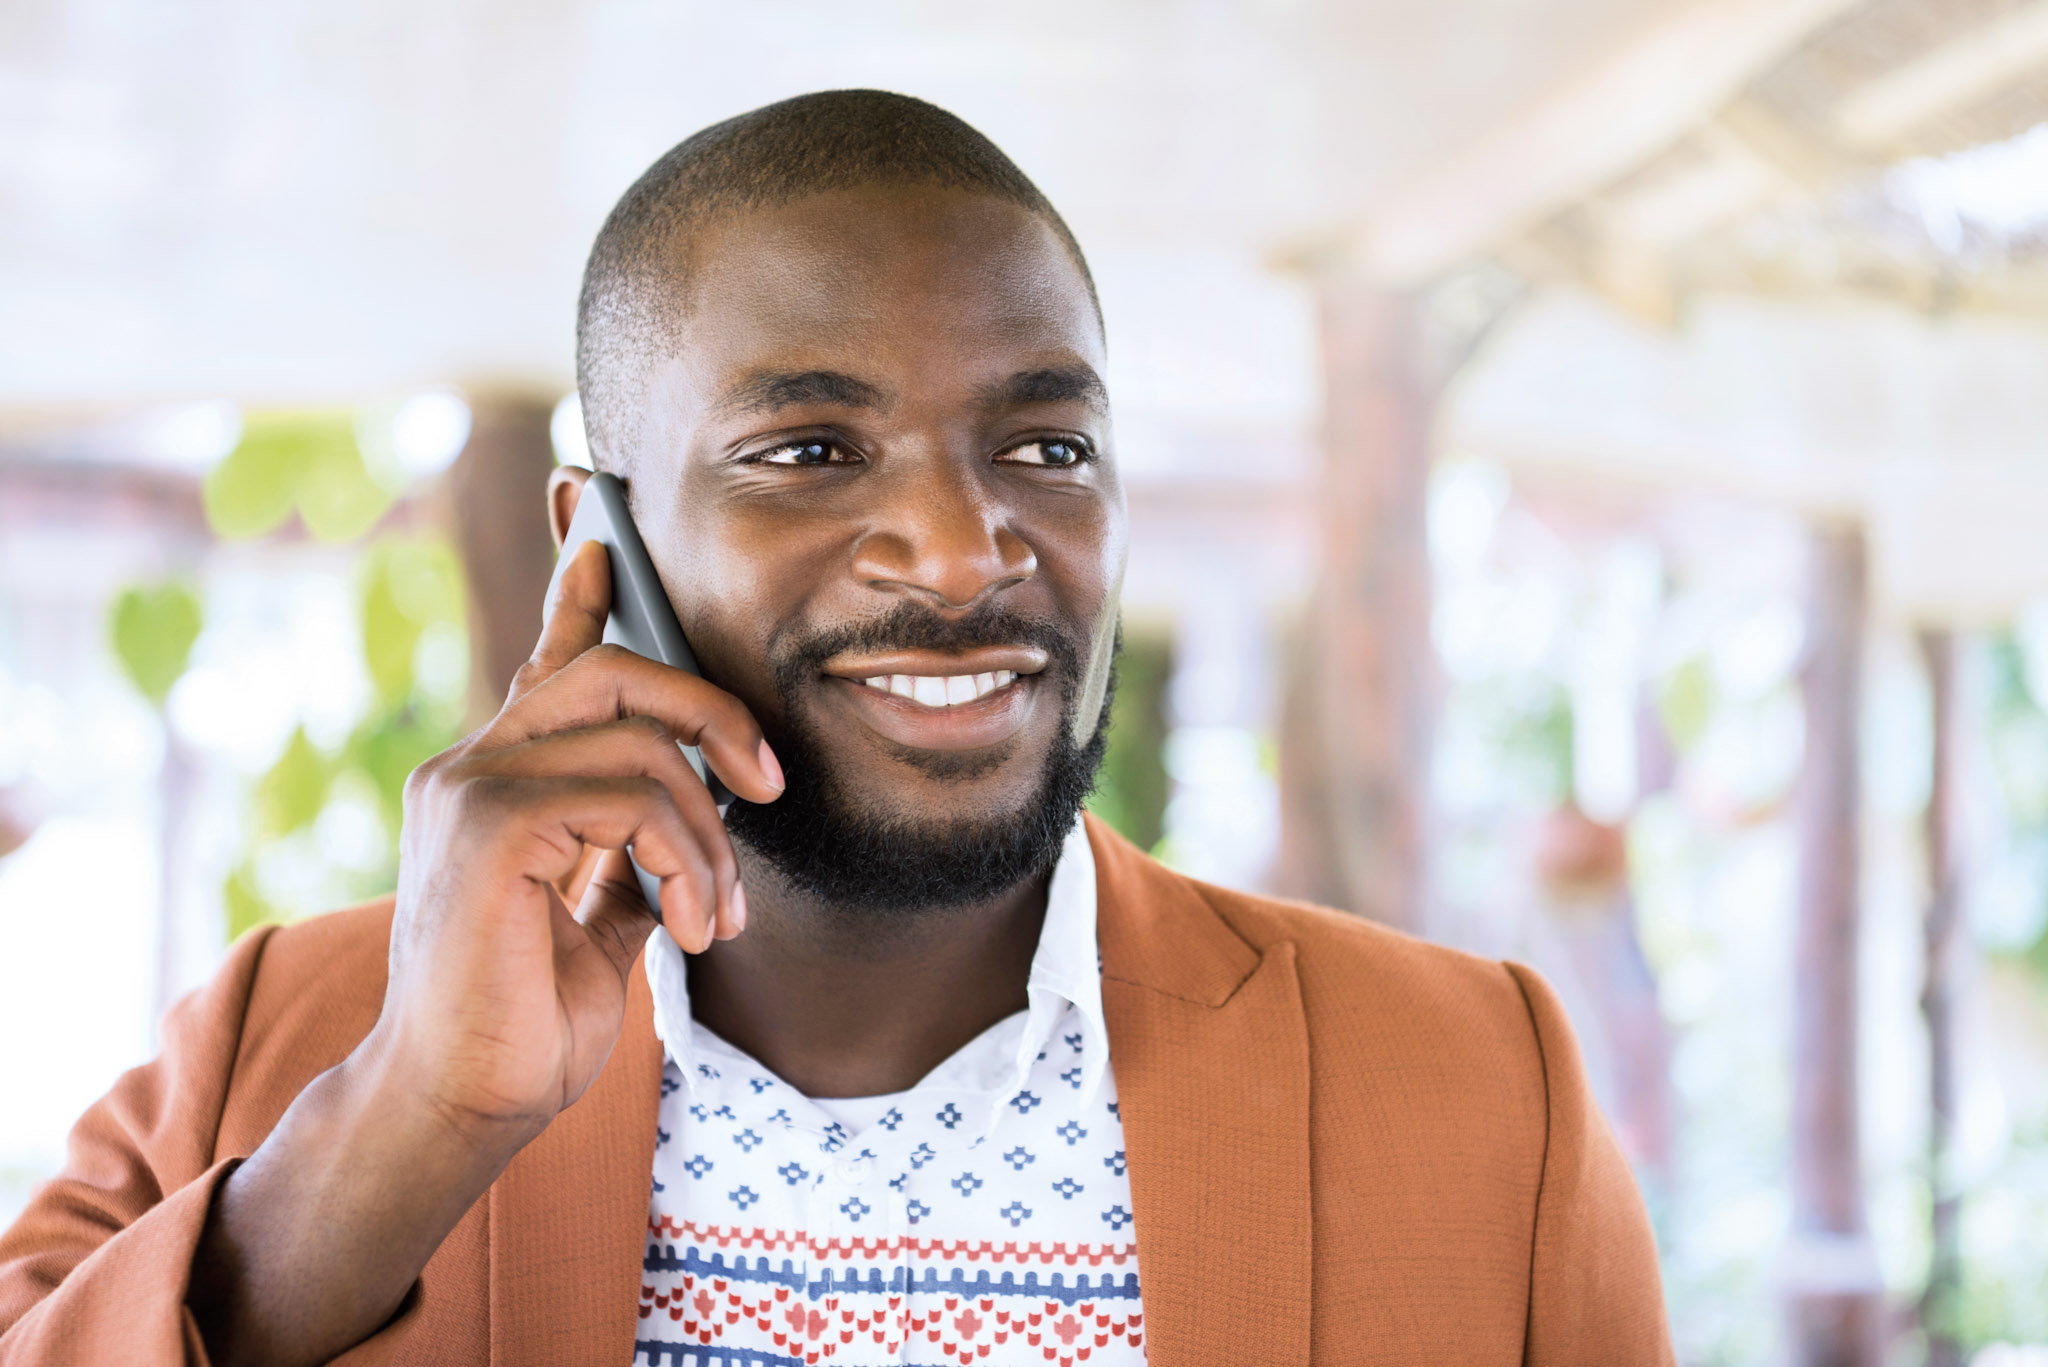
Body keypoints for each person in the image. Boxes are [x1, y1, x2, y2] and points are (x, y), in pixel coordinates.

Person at [0, 90, 1673, 1366]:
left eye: (1046, 447)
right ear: (606, 547)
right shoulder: (282, 1052)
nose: (962, 549)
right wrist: (415, 1118)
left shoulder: (1478, 1094)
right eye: (809, 451)